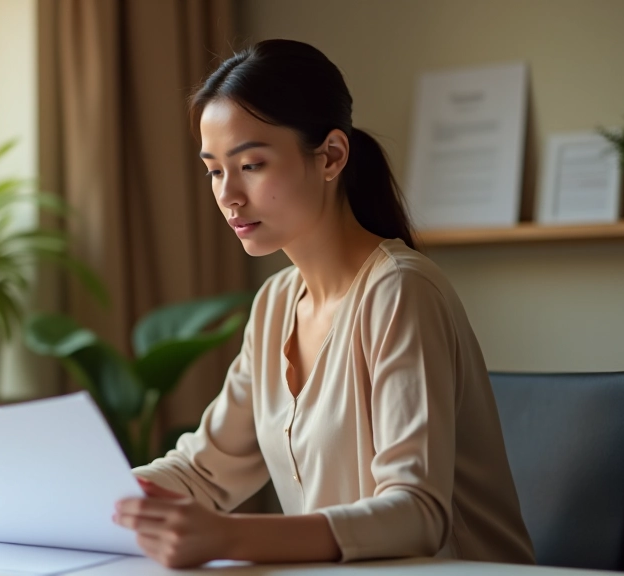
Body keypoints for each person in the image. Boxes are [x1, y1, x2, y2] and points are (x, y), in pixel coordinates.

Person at [111, 39, 535, 569]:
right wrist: (91, 497)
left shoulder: (400, 291)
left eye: (252, 165)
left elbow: (417, 513)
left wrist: (230, 538)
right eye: (215, 170)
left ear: (331, 155)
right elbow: (203, 471)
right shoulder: (274, 305)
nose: (228, 195)